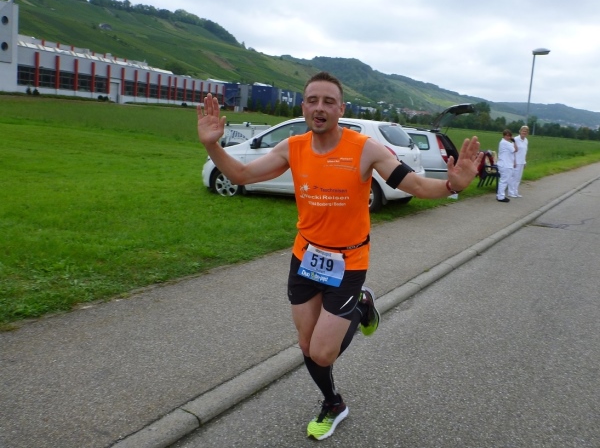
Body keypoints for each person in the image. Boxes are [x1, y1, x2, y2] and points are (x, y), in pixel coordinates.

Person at [197, 71, 483, 440]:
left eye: (328, 101)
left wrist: (451, 185)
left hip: (348, 263)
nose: (320, 107)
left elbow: (413, 184)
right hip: (305, 258)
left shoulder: (365, 149)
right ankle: (333, 403)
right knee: (306, 345)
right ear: (303, 107)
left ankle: (361, 306)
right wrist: (213, 146)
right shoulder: (292, 147)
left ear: (341, 109)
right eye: (312, 100)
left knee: (321, 352)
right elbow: (241, 174)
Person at [496, 129, 517, 203]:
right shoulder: (506, 143)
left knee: (504, 180)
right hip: (505, 165)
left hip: (505, 164)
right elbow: (515, 150)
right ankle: (500, 197)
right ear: (504, 135)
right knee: (504, 181)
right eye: (507, 135)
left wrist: (513, 142)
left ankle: (500, 195)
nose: (508, 137)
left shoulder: (504, 142)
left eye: (509, 136)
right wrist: (514, 141)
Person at [509, 125, 529, 197]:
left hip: (522, 162)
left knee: (518, 178)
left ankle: (515, 192)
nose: (524, 132)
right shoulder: (515, 139)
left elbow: (525, 152)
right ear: (520, 131)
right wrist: (513, 161)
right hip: (516, 161)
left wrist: (524, 162)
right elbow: (512, 151)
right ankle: (511, 192)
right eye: (523, 131)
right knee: (514, 177)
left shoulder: (526, 140)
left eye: (526, 131)